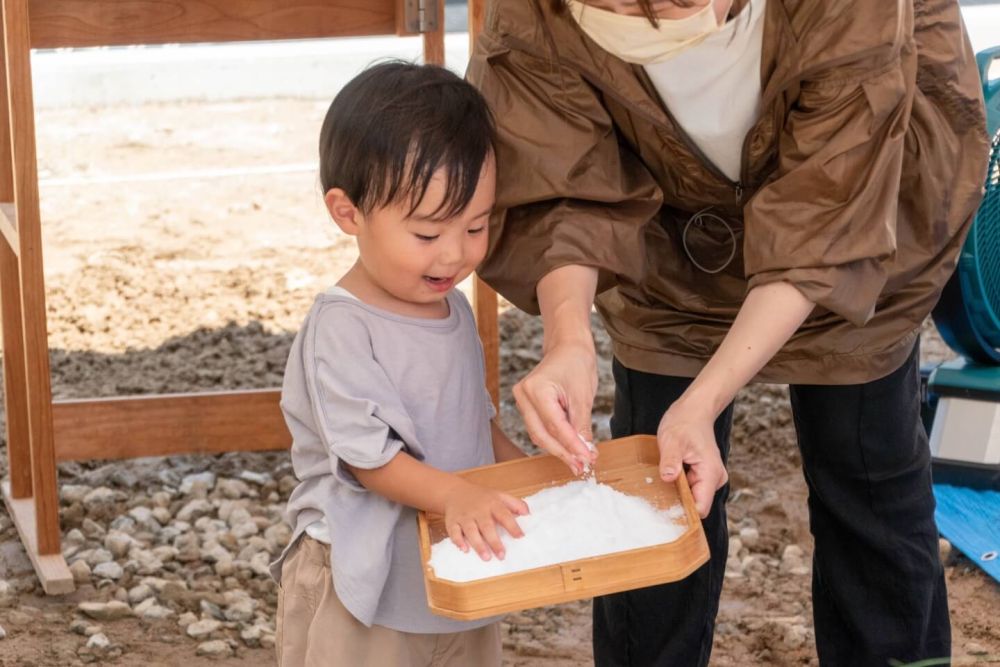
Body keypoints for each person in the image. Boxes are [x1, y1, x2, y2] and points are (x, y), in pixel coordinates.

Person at [467, 0, 990, 664]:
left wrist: (707, 397)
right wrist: (568, 338)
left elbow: (826, 219)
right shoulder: (537, 13)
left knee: (864, 461)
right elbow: (561, 180)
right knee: (657, 486)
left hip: (863, 210)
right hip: (671, 232)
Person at [269, 61, 528, 667]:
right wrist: (459, 496)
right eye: (427, 233)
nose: (455, 254)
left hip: (456, 566)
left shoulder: (451, 309)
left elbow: (472, 421)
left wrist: (535, 477)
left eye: (476, 226)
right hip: (366, 581)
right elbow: (371, 460)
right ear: (348, 212)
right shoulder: (342, 325)